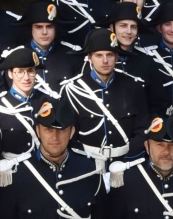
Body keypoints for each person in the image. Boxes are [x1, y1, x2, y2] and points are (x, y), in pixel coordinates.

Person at [59, 27, 151, 169]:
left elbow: (142, 129)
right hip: (87, 164)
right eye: (98, 55)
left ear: (117, 56)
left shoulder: (133, 87)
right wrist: (84, 162)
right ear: (89, 57)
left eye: (110, 55)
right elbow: (68, 134)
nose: (105, 60)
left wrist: (126, 161)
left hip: (126, 163)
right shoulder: (73, 89)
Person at [0, 46, 49, 161]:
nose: (26, 78)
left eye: (30, 71)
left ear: (36, 72)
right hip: (14, 170)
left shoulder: (47, 100)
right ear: (10, 74)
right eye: (20, 72)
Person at [17, 0, 84, 88]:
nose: (44, 32)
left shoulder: (71, 56)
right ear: (31, 28)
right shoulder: (17, 57)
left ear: (55, 28)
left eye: (49, 27)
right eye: (39, 27)